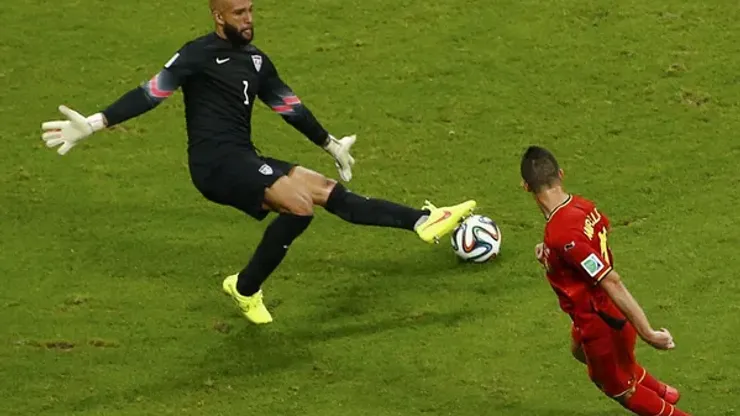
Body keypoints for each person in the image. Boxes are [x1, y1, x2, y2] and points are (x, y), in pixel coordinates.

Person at [40, 0, 476, 324]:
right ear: (218, 16)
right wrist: (95, 123)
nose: (248, 19)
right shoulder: (196, 54)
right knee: (300, 205)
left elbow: (290, 107)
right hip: (214, 165)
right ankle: (246, 286)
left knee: (324, 189)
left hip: (243, 157)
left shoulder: (256, 61)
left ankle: (421, 220)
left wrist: (330, 144)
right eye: (238, 13)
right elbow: (150, 93)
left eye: (250, 10)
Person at [519, 146, 691, 416]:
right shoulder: (581, 206)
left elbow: (611, 281)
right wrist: (549, 251)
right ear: (561, 174)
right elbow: (587, 241)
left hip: (601, 319)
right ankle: (665, 392)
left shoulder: (562, 235)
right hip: (594, 314)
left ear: (526, 186)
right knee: (578, 351)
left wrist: (649, 334)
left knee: (621, 390)